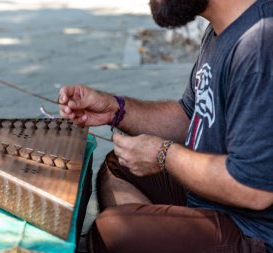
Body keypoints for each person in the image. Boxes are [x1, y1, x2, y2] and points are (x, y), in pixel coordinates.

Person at [58, 0, 273, 252]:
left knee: (114, 231)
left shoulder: (258, 44)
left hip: (255, 233)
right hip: (213, 201)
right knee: (121, 166)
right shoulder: (223, 26)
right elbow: (189, 116)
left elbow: (255, 189)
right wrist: (116, 109)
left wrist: (163, 154)